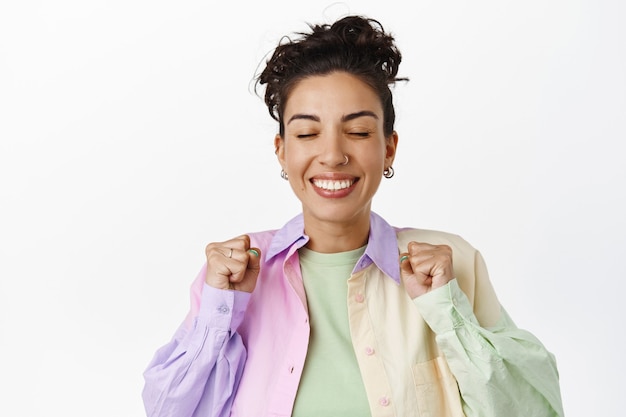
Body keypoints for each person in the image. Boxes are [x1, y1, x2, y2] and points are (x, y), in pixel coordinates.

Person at [142, 15, 564, 417]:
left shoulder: (452, 264)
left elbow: (532, 407)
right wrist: (219, 313)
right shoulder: (233, 274)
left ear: (389, 148)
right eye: (307, 133)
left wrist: (446, 312)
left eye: (359, 132)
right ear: (282, 152)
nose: (332, 155)